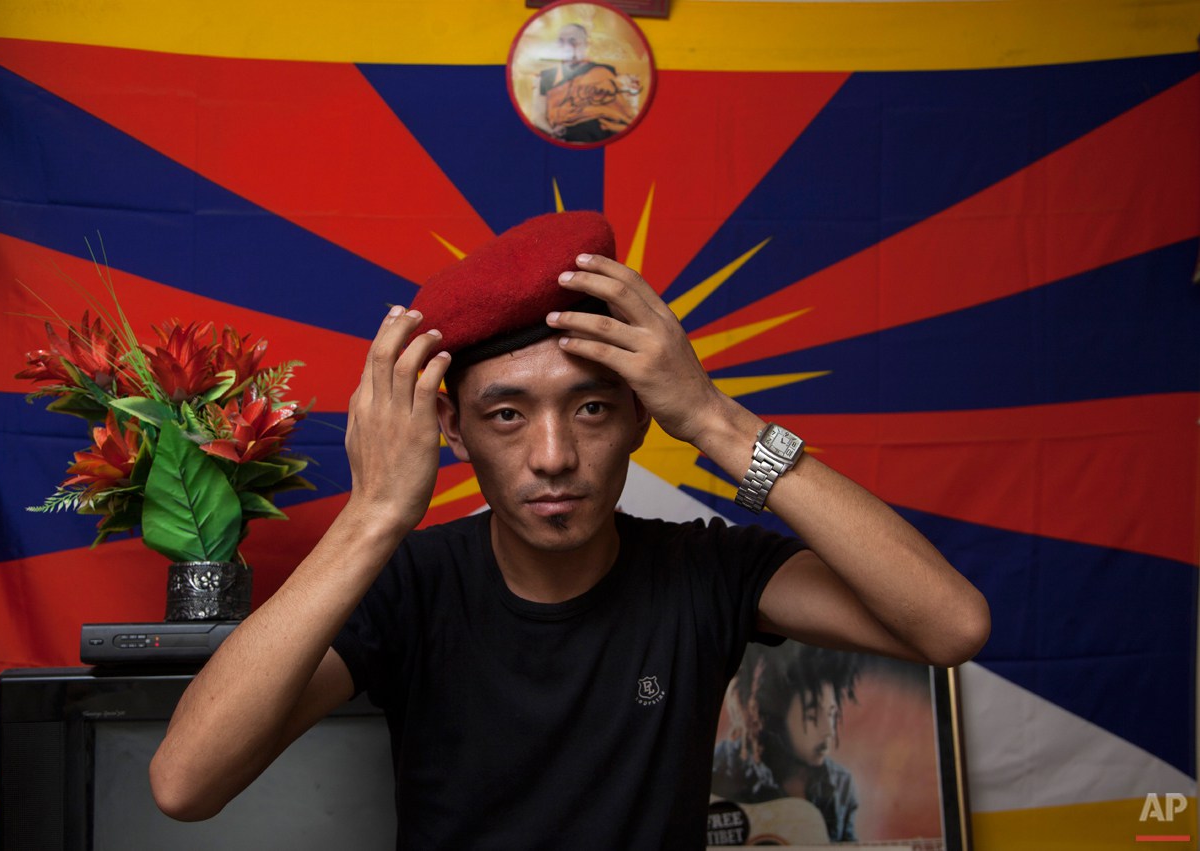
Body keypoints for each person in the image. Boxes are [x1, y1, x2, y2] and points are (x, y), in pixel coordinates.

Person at [149, 211, 990, 849]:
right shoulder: (410, 584)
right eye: (506, 414)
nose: (553, 456)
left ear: (637, 416)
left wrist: (713, 418)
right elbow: (186, 782)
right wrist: (373, 514)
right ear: (453, 427)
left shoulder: (705, 573)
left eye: (589, 407)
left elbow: (951, 625)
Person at [712, 643, 863, 842]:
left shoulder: (840, 786)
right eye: (811, 716)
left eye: (832, 714)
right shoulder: (716, 767)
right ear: (777, 715)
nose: (829, 731)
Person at [532, 23, 641, 143]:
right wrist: (551, 132)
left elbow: (613, 112)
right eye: (561, 41)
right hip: (557, 135)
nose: (566, 46)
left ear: (586, 45)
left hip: (595, 135)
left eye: (573, 42)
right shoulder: (547, 76)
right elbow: (538, 116)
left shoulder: (601, 72)